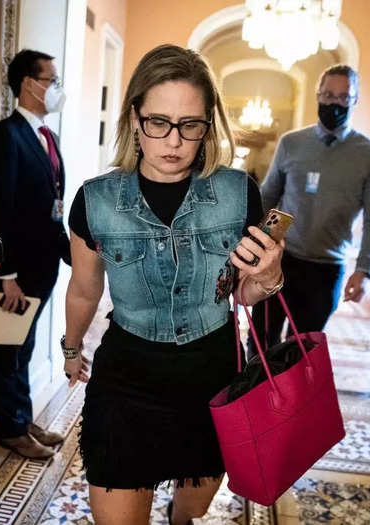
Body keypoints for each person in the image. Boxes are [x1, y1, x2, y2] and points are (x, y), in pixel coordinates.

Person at [62, 44, 284, 525]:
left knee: (188, 514)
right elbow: (83, 289)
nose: (174, 141)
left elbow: (239, 292)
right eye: (158, 122)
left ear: (209, 124)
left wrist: (267, 279)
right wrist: (71, 347)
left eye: (190, 125)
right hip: (126, 384)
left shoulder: (237, 192)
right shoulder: (96, 201)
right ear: (135, 118)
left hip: (211, 379)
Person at [251, 64, 370, 355]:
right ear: (317, 95)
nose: (333, 103)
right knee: (261, 342)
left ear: (354, 100)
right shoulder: (291, 143)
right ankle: (257, 399)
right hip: (281, 258)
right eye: (327, 94)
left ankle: (292, 400)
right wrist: (254, 246)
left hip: (327, 269)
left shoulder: (369, 154)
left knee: (302, 349)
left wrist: (364, 268)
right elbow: (268, 196)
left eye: (342, 97)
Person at [0, 49, 71, 459]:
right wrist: (6, 275)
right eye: (51, 80)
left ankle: (23, 417)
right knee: (7, 348)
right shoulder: (5, 136)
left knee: (26, 345)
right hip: (13, 271)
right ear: (28, 84)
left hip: (44, 265)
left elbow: (52, 205)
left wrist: (75, 254)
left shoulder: (47, 138)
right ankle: (12, 430)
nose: (56, 88)